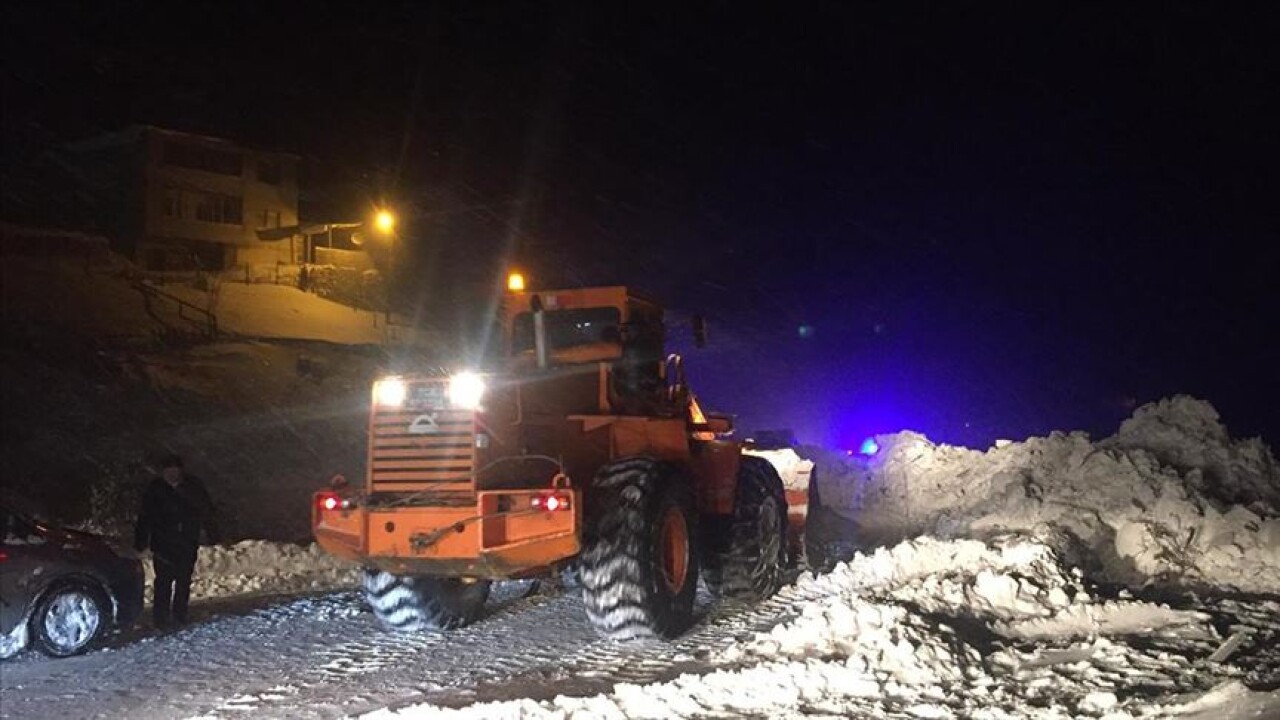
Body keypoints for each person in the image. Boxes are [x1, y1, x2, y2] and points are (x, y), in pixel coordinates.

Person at [134, 453, 217, 627]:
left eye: (175, 470)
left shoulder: (193, 487)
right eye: (168, 470)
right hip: (163, 543)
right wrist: (141, 540)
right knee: (163, 581)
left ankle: (180, 615)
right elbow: (145, 516)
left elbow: (207, 510)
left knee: (183, 580)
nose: (172, 474)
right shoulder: (155, 489)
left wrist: (212, 533)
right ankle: (160, 618)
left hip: (186, 541)